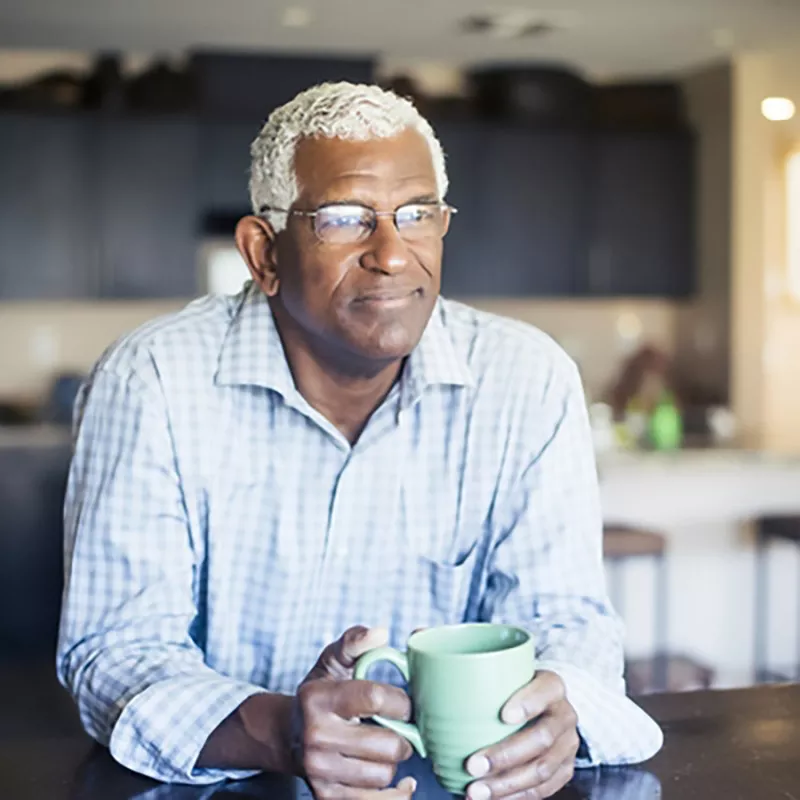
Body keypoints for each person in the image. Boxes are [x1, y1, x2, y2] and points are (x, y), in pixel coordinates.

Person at [57, 82, 662, 799]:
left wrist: (560, 707)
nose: (394, 254)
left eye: (417, 214)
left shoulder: (527, 381)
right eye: (346, 218)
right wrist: (279, 730)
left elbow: (570, 624)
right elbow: (113, 652)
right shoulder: (151, 380)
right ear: (264, 253)